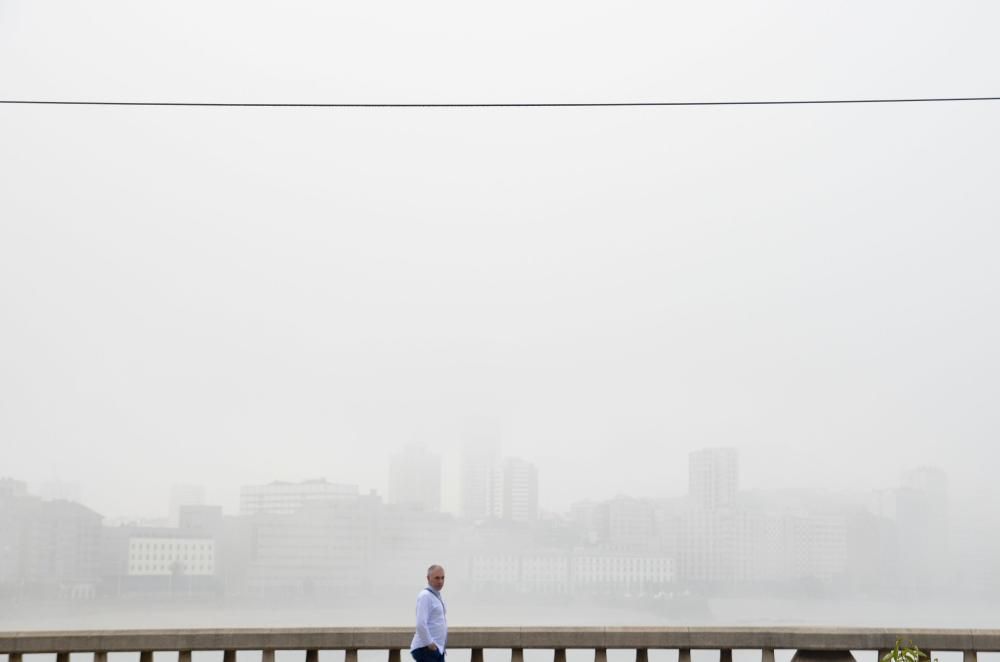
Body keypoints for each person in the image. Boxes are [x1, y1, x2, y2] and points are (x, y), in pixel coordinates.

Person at [410, 564, 447, 662]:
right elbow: (421, 624)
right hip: (426, 649)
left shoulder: (437, 596)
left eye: (442, 578)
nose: (440, 581)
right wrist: (430, 644)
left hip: (437, 649)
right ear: (428, 578)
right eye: (437, 578)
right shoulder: (425, 596)